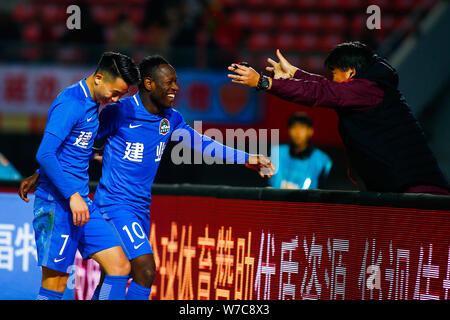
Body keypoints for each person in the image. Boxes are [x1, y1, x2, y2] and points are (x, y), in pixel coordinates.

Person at [20, 55, 274, 300]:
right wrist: (43, 173)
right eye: (169, 82)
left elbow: (202, 144)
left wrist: (245, 158)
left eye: (176, 81)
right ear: (149, 83)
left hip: (140, 207)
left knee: (117, 272)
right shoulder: (117, 111)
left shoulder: (171, 119)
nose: (175, 87)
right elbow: (78, 146)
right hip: (114, 206)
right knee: (145, 270)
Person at [227, 42, 449, 195]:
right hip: (402, 190)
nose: (331, 79)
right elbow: (327, 88)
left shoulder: (367, 90)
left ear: (350, 72)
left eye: (334, 73)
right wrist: (296, 74)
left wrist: (264, 82)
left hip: (419, 195)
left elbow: (322, 92)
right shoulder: (368, 87)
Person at [23, 52, 141, 300]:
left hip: (80, 204)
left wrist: (39, 174)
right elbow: (45, 153)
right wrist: (72, 194)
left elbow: (70, 149)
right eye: (116, 92)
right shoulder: (72, 103)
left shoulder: (93, 104)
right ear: (99, 78)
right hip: (59, 204)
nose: (116, 99)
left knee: (120, 267)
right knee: (55, 284)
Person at [270, 112, 332, 190]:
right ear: (288, 130)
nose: (298, 132)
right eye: (294, 127)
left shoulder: (322, 160)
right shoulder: (277, 152)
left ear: (310, 131)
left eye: (302, 127)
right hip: (276, 200)